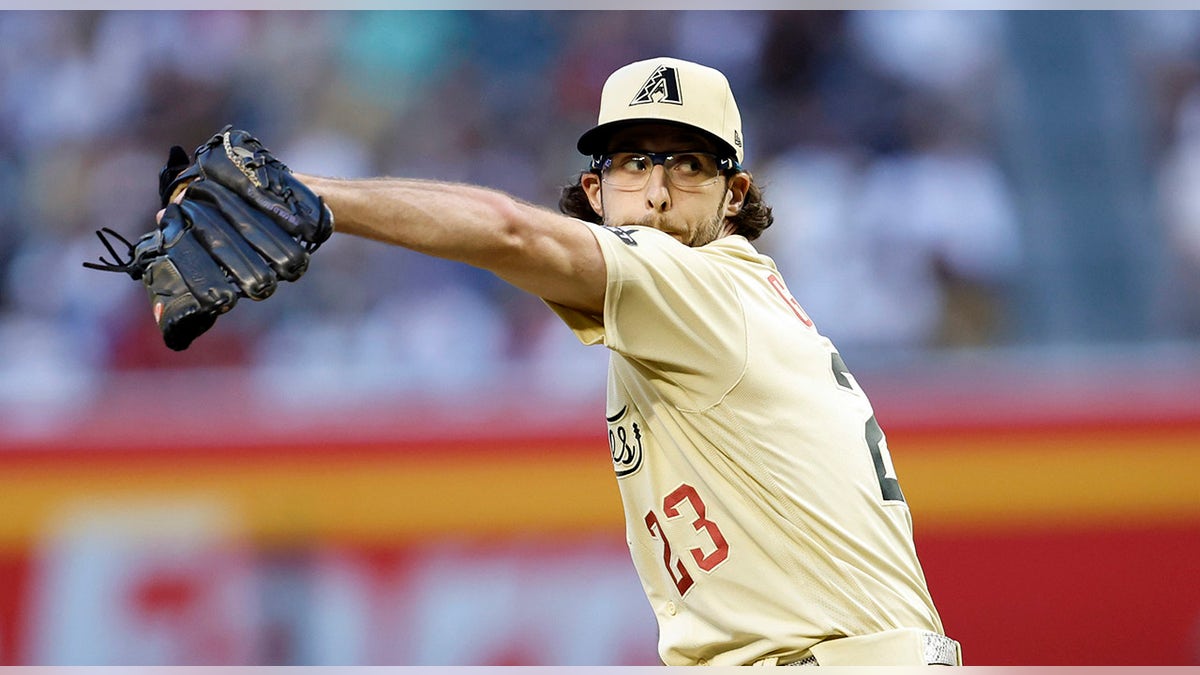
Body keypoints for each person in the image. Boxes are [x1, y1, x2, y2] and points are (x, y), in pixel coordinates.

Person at [217, 56, 960, 666]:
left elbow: (511, 233)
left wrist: (305, 196)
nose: (660, 192)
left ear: (734, 197)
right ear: (597, 192)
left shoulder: (702, 289)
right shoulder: (706, 309)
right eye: (636, 161)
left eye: (690, 164)